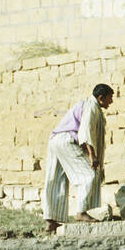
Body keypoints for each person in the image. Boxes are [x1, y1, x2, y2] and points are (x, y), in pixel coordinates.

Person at [42, 83, 114, 232]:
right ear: (101, 98)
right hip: (67, 140)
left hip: (56, 140)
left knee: (57, 180)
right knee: (89, 174)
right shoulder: (91, 106)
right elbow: (85, 132)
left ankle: (51, 221)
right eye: (109, 98)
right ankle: (81, 212)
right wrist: (92, 156)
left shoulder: (89, 106)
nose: (111, 102)